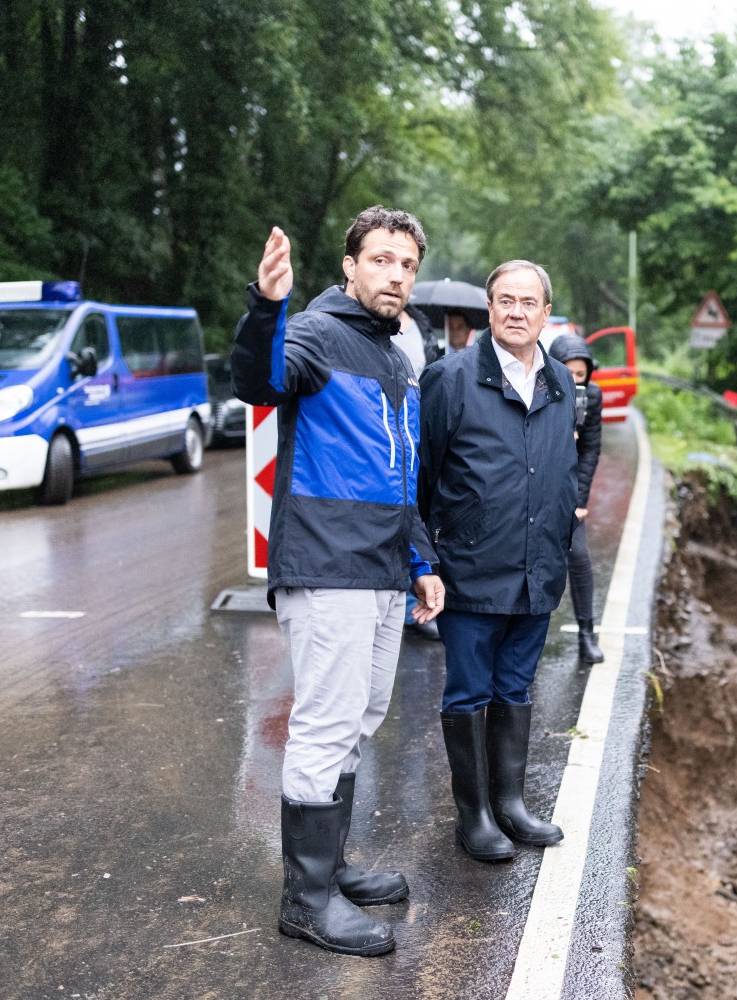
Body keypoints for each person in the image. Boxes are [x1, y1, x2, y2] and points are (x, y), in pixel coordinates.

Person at [231, 206, 445, 957]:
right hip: (327, 567)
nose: (396, 275)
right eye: (382, 259)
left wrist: (420, 562)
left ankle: (332, 865)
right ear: (350, 267)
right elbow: (258, 382)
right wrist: (267, 305)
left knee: (359, 718)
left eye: (407, 264)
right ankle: (306, 902)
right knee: (324, 724)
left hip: (383, 569)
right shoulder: (316, 334)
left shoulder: (393, 357)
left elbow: (401, 475)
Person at [418, 260, 578, 862]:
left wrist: (560, 541)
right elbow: (420, 479)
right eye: (505, 301)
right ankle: (475, 815)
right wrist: (425, 560)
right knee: (469, 692)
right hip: (470, 571)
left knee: (516, 686)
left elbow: (561, 470)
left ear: (544, 312)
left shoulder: (561, 383)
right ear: (489, 311)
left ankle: (509, 803)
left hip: (537, 571)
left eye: (528, 302)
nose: (516, 312)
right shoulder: (451, 379)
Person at [547, 333, 605, 664]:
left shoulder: (592, 398)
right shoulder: (537, 392)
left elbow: (591, 450)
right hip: (531, 489)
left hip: (569, 492)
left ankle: (587, 634)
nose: (573, 380)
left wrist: (580, 501)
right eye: (566, 372)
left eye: (580, 374)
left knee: (579, 557)